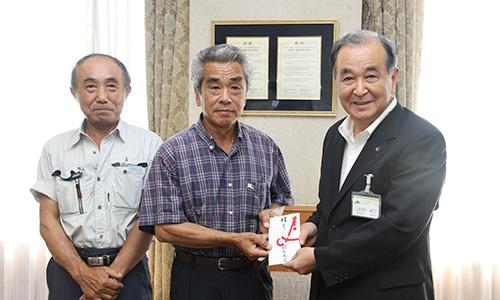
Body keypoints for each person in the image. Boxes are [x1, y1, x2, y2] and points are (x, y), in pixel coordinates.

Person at [283, 30, 447, 300]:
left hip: (386, 292)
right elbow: (331, 207)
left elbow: (399, 227)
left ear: (392, 77)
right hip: (331, 289)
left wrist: (321, 258)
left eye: (371, 76)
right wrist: (312, 226)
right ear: (336, 81)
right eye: (348, 78)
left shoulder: (422, 139)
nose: (359, 89)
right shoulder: (336, 135)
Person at [139, 44, 293, 300]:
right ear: (198, 95)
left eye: (235, 87)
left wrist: (272, 213)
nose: (225, 97)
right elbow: (165, 229)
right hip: (196, 278)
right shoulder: (172, 152)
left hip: (252, 278)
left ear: (245, 94)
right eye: (214, 87)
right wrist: (234, 239)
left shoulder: (266, 147)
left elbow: (281, 200)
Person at [31, 53, 162, 300]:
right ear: (74, 92)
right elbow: (48, 221)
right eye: (90, 86)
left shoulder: (150, 145)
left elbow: (148, 218)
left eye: (111, 86)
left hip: (129, 272)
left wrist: (111, 277)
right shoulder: (54, 149)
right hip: (68, 271)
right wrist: (82, 275)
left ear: (127, 91)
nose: (102, 96)